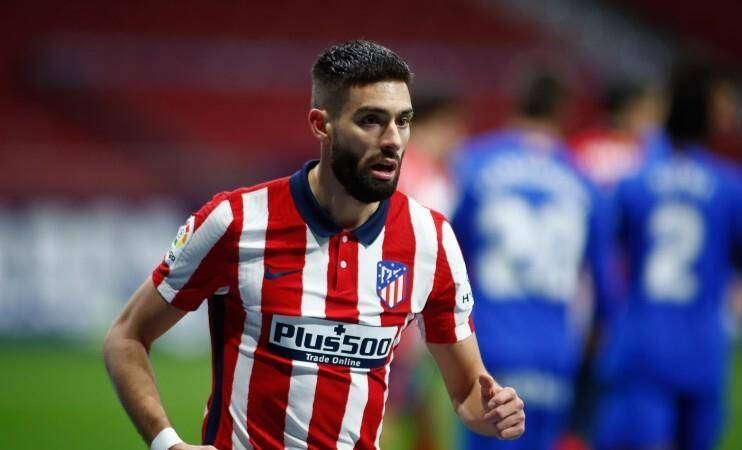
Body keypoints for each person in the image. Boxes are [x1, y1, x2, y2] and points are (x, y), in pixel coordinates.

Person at [103, 40, 525, 450]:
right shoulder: (237, 221)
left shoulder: (431, 238)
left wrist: (493, 412)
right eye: (371, 120)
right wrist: (168, 444)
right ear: (322, 125)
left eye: (403, 121)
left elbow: (468, 391)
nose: (393, 140)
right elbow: (127, 336)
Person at [451, 70, 612, 450]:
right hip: (556, 348)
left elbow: (449, 253)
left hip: (490, 341)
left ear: (517, 103)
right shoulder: (584, 180)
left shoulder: (475, 163)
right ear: (563, 111)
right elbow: (605, 285)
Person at [594, 62, 742, 450]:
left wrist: (608, 315)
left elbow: (604, 256)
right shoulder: (729, 187)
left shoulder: (634, 183)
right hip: (704, 346)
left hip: (644, 341)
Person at [382, 90, 468, 450]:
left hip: (410, 313)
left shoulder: (406, 170)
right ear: (438, 124)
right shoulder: (420, 177)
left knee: (414, 412)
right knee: (388, 414)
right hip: (403, 315)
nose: (459, 138)